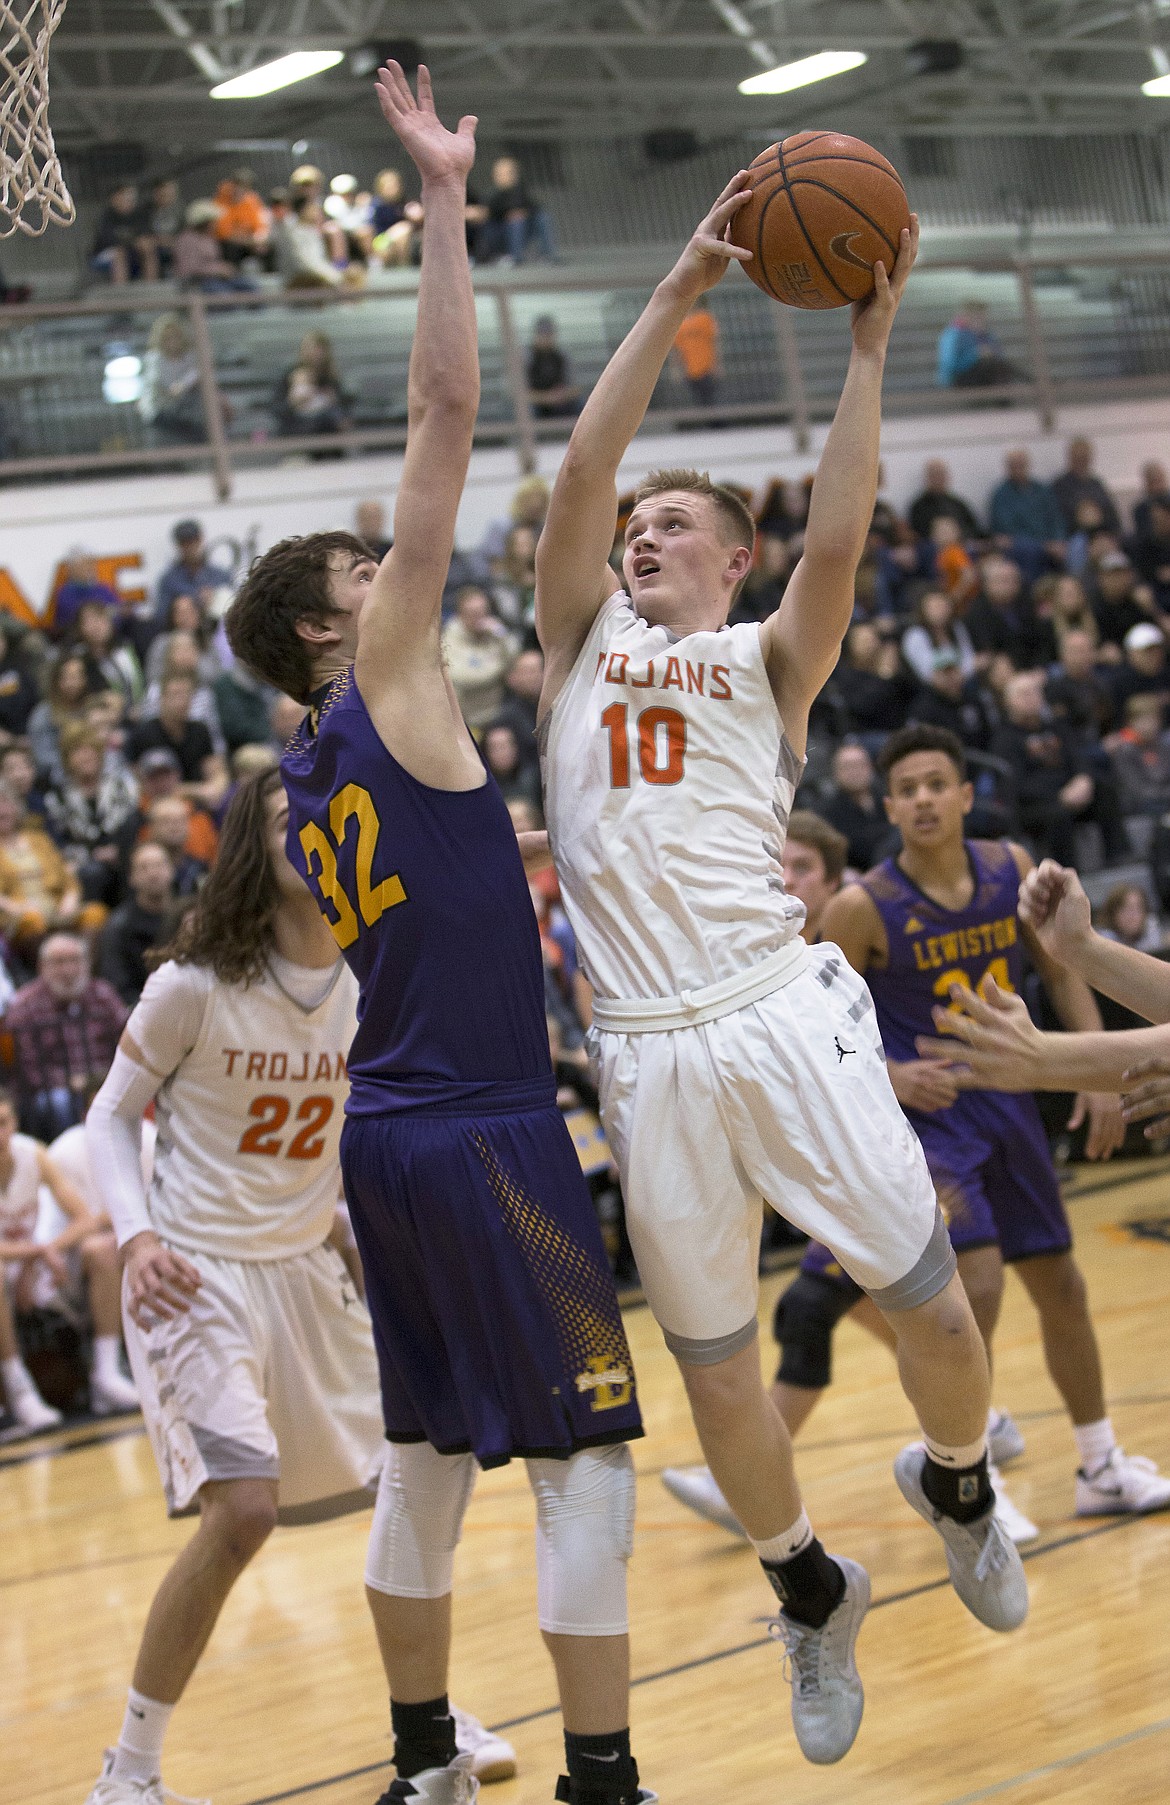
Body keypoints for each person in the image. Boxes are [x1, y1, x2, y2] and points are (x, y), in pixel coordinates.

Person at [533, 179, 1026, 1769]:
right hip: (646, 1048)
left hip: (773, 1007)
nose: (636, 537)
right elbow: (580, 468)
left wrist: (868, 347)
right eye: (630, 536)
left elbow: (845, 523)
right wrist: (681, 270)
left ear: (730, 561)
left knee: (935, 1317)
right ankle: (807, 1586)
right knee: (717, 1376)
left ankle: (953, 1479)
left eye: (670, 527)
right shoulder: (577, 647)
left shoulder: (765, 659)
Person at [224, 64, 651, 1805]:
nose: (397, 570)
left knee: (423, 1465)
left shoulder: (294, 774)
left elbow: (387, 909)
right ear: (339, 618)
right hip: (479, 1131)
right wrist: (449, 201)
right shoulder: (385, 670)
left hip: (381, 1138)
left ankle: (417, 1763)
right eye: (368, 566)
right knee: (584, 1464)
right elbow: (450, 413)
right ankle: (603, 1777)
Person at [81, 771, 513, 1803]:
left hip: (308, 1266)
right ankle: (126, 1771)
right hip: (198, 1272)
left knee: (414, 1485)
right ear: (249, 842)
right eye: (287, 816)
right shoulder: (192, 982)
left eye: (324, 813)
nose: (309, 827)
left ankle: (430, 1714)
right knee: (242, 1513)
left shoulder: (374, 975)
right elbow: (107, 1118)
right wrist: (135, 1238)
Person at [663, 728, 1170, 1543]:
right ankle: (976, 1472)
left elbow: (1061, 967)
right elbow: (820, 1014)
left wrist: (1086, 1071)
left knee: (1062, 1286)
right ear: (890, 805)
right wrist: (892, 1077)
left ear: (966, 794)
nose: (926, 798)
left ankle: (1101, 1461)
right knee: (978, 1289)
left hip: (1012, 1105)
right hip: (928, 1123)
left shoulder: (1008, 868)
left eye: (940, 782)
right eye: (909, 787)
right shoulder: (864, 905)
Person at [0, 1085, 137, 1433]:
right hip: (17, 1266)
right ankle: (20, 1393)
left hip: (45, 1269)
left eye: (2, 1122)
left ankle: (107, 1374)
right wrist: (36, 1252)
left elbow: (84, 1219)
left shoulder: (33, 1154)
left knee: (104, 1250)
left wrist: (46, 1253)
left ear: (14, 1123)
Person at [5, 933, 127, 1139]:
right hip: (54, 1089)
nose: (68, 970)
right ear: (41, 966)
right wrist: (72, 1082)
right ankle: (70, 1149)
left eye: (75, 960)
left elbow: (127, 1041)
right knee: (61, 1102)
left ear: (88, 963)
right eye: (59, 962)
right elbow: (28, 1070)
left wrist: (102, 1079)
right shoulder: (25, 1006)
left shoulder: (103, 995)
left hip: (105, 1080)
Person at [97, 841, 176, 1005]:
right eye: (144, 868)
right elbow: (117, 985)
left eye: (159, 865)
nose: (153, 873)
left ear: (172, 870)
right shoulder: (118, 926)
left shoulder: (187, 919)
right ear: (131, 878)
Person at [440, 586, 519, 729]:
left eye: (483, 612)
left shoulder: (494, 632)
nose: (479, 618)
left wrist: (502, 634)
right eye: (473, 613)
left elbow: (517, 660)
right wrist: (501, 669)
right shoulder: (450, 638)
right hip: (467, 720)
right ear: (461, 615)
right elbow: (462, 677)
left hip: (499, 716)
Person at [820, 741, 892, 871]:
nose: (855, 772)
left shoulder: (887, 799)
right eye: (848, 766)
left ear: (870, 767)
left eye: (859, 765)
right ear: (836, 772)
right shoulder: (826, 811)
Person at [138, 313, 204, 444]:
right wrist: (179, 387)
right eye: (167, 338)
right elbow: (166, 386)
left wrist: (183, 385)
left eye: (176, 337)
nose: (172, 342)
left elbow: (198, 373)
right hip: (160, 410)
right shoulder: (154, 358)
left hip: (184, 407)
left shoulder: (189, 356)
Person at [477, 154, 556, 263]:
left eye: (510, 173)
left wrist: (522, 212)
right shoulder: (492, 195)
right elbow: (486, 216)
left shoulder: (520, 191)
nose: (506, 176)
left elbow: (534, 208)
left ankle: (547, 255)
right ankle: (515, 257)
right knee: (516, 221)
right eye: (502, 173)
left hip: (521, 231)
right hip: (499, 236)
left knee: (542, 217)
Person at [154, 520, 230, 628]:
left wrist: (215, 598)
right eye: (184, 543)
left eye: (192, 541)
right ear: (178, 545)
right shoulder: (169, 580)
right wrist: (193, 603)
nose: (189, 547)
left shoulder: (220, 575)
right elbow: (160, 617)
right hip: (185, 637)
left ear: (200, 540)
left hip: (217, 634)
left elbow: (235, 609)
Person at [989, 451, 1067, 552]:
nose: (1018, 470)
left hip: (1050, 542)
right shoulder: (1001, 495)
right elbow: (1006, 528)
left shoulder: (1042, 490)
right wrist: (1042, 544)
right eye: (1014, 466)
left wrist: (1058, 539)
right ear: (1008, 468)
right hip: (1021, 545)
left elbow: (1055, 518)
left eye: (1021, 465)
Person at [276, 331, 350, 438]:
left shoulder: (331, 377)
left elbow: (343, 405)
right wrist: (293, 403)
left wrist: (334, 399)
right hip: (298, 430)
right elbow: (278, 408)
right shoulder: (291, 375)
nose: (316, 354)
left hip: (328, 432)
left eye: (320, 350)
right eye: (312, 349)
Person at [936, 301, 1015, 389]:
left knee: (1000, 368)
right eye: (978, 318)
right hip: (959, 378)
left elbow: (1000, 356)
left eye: (983, 318)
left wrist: (990, 353)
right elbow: (951, 366)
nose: (982, 321)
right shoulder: (953, 336)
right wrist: (975, 354)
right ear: (966, 317)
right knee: (994, 369)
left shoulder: (986, 335)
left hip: (983, 374)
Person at [1050, 437, 1121, 537]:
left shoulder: (1097, 484)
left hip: (1103, 534)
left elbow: (1112, 516)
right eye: (1077, 458)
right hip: (1074, 536)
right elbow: (1056, 519)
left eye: (1084, 458)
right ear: (1070, 458)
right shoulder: (1059, 486)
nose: (1081, 462)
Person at [90, 184, 157, 285]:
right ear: (115, 198)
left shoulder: (139, 216)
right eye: (125, 197)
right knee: (119, 253)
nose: (129, 201)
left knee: (148, 248)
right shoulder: (105, 217)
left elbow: (146, 235)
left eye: (131, 198)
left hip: (133, 253)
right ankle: (121, 290)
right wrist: (132, 243)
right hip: (105, 254)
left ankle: (152, 286)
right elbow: (108, 240)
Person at [907, 459, 981, 541]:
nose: (939, 478)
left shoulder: (957, 503)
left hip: (965, 546)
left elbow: (974, 528)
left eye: (941, 474)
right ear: (927, 478)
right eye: (935, 475)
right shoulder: (919, 507)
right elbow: (921, 535)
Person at [527, 315, 580, 418]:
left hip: (559, 402)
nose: (546, 338)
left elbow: (576, 388)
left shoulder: (561, 356)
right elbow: (515, 394)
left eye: (549, 334)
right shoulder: (526, 358)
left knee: (580, 404)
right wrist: (545, 397)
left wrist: (563, 395)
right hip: (537, 404)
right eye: (542, 334)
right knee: (526, 409)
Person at [213, 168, 270, 264]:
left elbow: (260, 225)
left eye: (245, 186)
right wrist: (249, 242)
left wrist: (258, 240)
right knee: (231, 249)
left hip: (249, 242)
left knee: (266, 250)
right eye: (238, 184)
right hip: (226, 244)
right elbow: (225, 234)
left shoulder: (252, 200)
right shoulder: (220, 202)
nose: (240, 189)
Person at [672, 298, 720, 407]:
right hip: (690, 370)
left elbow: (714, 341)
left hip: (707, 368)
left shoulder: (705, 318)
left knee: (711, 400)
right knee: (699, 402)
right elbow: (677, 350)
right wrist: (677, 370)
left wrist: (716, 364)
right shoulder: (680, 323)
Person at [1097, 880, 1163, 952]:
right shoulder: (1104, 938)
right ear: (1113, 913)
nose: (1133, 915)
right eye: (1126, 909)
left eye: (1138, 908)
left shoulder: (1150, 928)